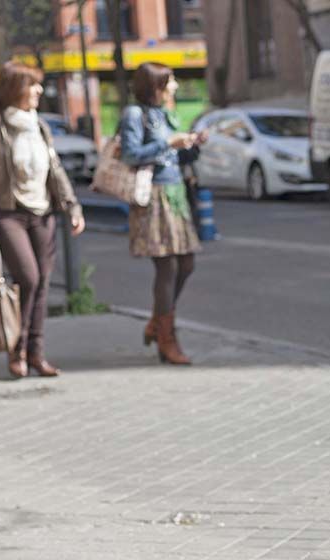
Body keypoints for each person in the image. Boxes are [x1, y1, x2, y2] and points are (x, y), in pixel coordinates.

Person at [0, 61, 85, 378]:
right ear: (13, 90)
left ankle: (36, 353)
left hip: (43, 212)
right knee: (29, 278)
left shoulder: (39, 125)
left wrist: (72, 206)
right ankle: (16, 348)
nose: (38, 90)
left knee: (43, 284)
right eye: (31, 85)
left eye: (38, 85)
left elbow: (55, 169)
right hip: (9, 213)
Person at [119, 62, 208, 365]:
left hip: (176, 194)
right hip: (153, 197)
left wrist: (192, 145)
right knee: (167, 267)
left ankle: (157, 323)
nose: (175, 87)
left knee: (187, 263)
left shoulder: (164, 114)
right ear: (155, 85)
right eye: (170, 82)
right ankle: (167, 338)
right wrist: (168, 141)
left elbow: (175, 155)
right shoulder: (135, 114)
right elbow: (130, 154)